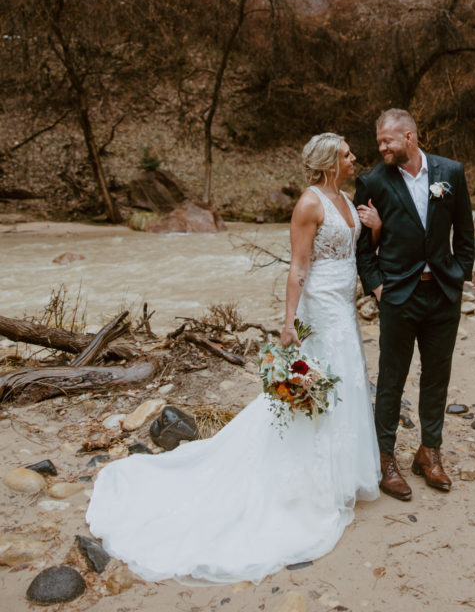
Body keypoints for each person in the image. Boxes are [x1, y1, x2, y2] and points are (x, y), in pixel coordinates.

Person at [86, 133, 380, 583]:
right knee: (309, 389)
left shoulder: (346, 196)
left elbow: (354, 251)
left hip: (343, 307)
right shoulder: (309, 203)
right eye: (346, 153)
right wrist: (288, 324)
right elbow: (298, 267)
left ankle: (339, 476)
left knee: (345, 386)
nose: (354, 157)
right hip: (319, 307)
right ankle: (305, 480)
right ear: (328, 163)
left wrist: (374, 229)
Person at [354, 109, 475, 501]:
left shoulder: (450, 173)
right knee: (391, 379)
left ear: (410, 136)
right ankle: (385, 459)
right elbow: (362, 248)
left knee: (437, 376)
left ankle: (429, 452)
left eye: (388, 140)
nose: (382, 147)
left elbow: (465, 230)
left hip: (442, 292)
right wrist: (377, 287)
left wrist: (459, 274)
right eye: (379, 143)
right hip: (398, 297)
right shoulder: (373, 180)